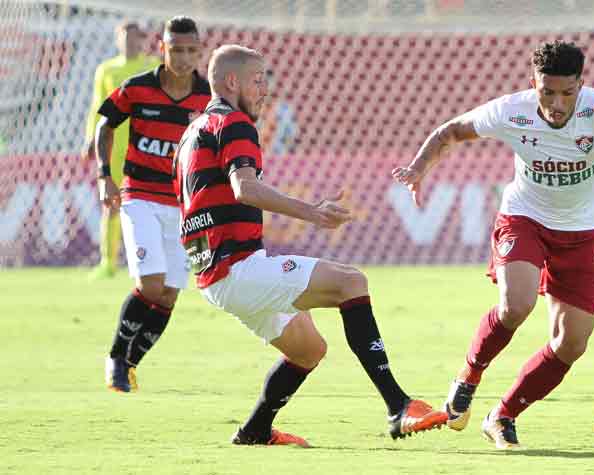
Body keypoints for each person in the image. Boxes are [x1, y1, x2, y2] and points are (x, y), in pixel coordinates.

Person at [392, 40, 594, 449]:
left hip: (580, 232)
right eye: (547, 92)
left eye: (567, 93)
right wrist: (420, 168)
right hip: (523, 217)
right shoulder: (513, 109)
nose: (557, 103)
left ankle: (502, 415)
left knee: (571, 342)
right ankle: (468, 377)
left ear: (581, 84)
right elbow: (450, 132)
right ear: (534, 84)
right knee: (517, 304)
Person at [173, 44, 447, 446]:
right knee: (351, 282)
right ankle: (398, 406)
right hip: (237, 268)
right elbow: (243, 187)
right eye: (258, 79)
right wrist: (313, 213)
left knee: (308, 349)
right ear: (232, 82)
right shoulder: (234, 122)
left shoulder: (193, 131)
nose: (265, 88)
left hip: (213, 273)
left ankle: (255, 431)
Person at [96, 16, 210, 392]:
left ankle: (129, 366)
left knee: (170, 294)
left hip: (185, 207)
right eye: (176, 49)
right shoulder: (139, 89)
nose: (183, 57)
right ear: (162, 49)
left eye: (191, 50)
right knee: (151, 284)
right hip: (140, 197)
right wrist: (104, 176)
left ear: (199, 51)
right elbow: (106, 125)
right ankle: (115, 358)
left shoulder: (207, 98)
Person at [83, 21, 159, 280]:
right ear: (118, 40)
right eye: (125, 38)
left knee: (160, 202)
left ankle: (167, 258)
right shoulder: (106, 69)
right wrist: (90, 138)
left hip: (148, 146)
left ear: (142, 40)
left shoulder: (153, 66)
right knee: (111, 202)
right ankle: (108, 262)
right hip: (114, 147)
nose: (130, 43)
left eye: (135, 38)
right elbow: (98, 106)